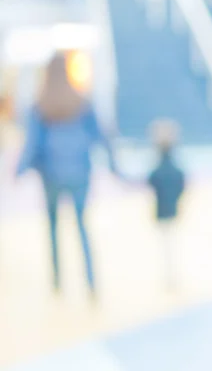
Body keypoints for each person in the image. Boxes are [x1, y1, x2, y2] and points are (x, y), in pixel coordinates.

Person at [16, 52, 117, 297]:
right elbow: (101, 136)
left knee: (52, 229)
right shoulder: (81, 102)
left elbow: (33, 145)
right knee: (82, 225)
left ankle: (57, 282)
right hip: (80, 174)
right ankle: (91, 282)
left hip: (51, 176)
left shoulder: (40, 106)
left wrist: (19, 170)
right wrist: (115, 168)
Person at [147, 119, 185, 290]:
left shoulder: (159, 170)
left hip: (163, 208)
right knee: (170, 244)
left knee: (167, 244)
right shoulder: (174, 169)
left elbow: (151, 182)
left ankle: (170, 277)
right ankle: (171, 276)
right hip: (171, 207)